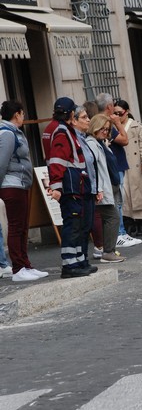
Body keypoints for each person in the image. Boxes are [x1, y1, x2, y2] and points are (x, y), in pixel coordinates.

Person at [0, 100, 49, 282]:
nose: (23, 117)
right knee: (16, 227)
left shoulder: (14, 132)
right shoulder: (7, 134)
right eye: (22, 113)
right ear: (17, 114)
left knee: (21, 227)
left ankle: (25, 265)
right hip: (12, 184)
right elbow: (2, 162)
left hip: (20, 184)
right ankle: (18, 268)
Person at [48, 97, 95, 278]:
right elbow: (57, 162)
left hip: (76, 186)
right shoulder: (62, 132)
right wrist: (57, 187)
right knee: (72, 225)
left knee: (77, 225)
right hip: (70, 188)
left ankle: (77, 262)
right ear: (71, 114)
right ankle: (69, 265)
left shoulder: (66, 131)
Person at [95, 93, 139, 247]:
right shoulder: (105, 122)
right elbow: (125, 140)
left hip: (116, 164)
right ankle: (119, 234)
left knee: (118, 201)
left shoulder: (105, 120)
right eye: (113, 104)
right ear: (109, 106)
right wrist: (118, 123)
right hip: (113, 166)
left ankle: (121, 233)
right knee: (116, 202)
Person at [86, 114, 126, 263]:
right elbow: (94, 168)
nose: (105, 131)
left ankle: (108, 250)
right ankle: (107, 251)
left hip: (109, 187)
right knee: (113, 217)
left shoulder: (101, 143)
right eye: (102, 128)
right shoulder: (92, 143)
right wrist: (98, 189)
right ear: (95, 127)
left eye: (107, 129)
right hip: (102, 189)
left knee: (109, 218)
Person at [114, 99, 142, 237]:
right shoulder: (113, 127)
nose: (118, 116)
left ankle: (141, 223)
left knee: (138, 194)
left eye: (120, 113)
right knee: (124, 195)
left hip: (136, 164)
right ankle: (129, 222)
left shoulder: (137, 126)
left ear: (127, 111)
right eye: (115, 113)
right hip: (122, 163)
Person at [72, 106, 99, 272]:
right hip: (80, 189)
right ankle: (79, 261)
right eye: (84, 117)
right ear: (74, 121)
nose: (88, 120)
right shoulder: (73, 138)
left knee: (87, 225)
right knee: (81, 227)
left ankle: (84, 259)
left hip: (89, 188)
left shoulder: (83, 137)